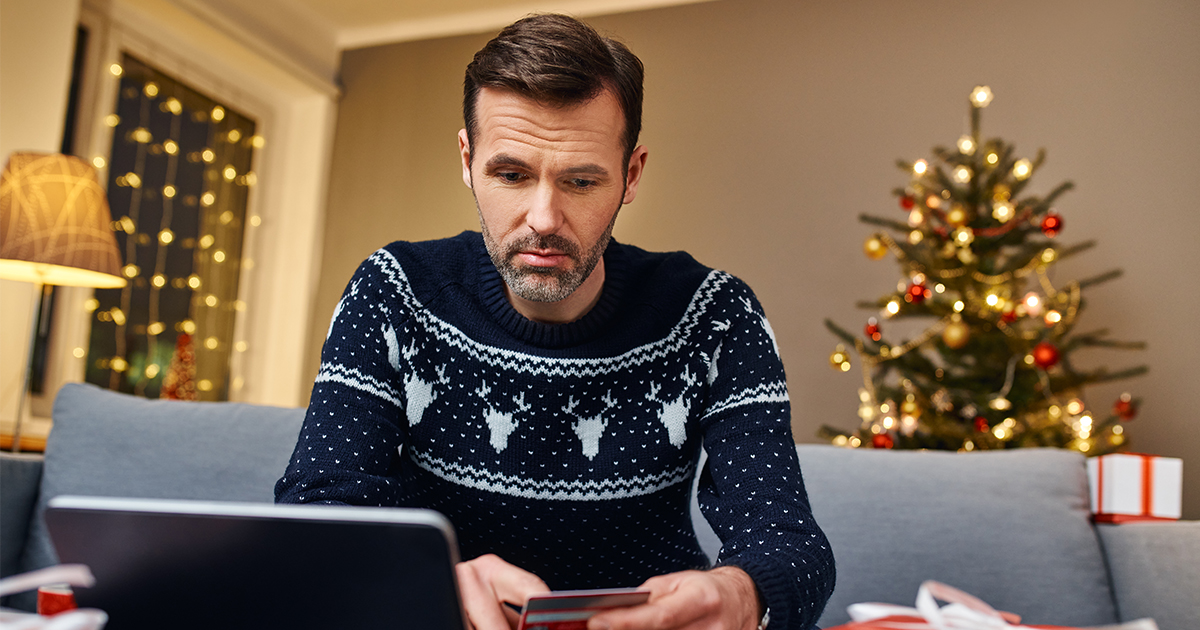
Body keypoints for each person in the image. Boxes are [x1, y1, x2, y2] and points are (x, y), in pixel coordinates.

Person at [275, 13, 834, 630]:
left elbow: (789, 542)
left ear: (632, 175)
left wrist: (738, 593)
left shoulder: (715, 315)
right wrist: (425, 577)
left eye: (581, 180)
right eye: (511, 175)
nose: (543, 217)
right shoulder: (394, 292)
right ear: (468, 159)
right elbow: (320, 504)